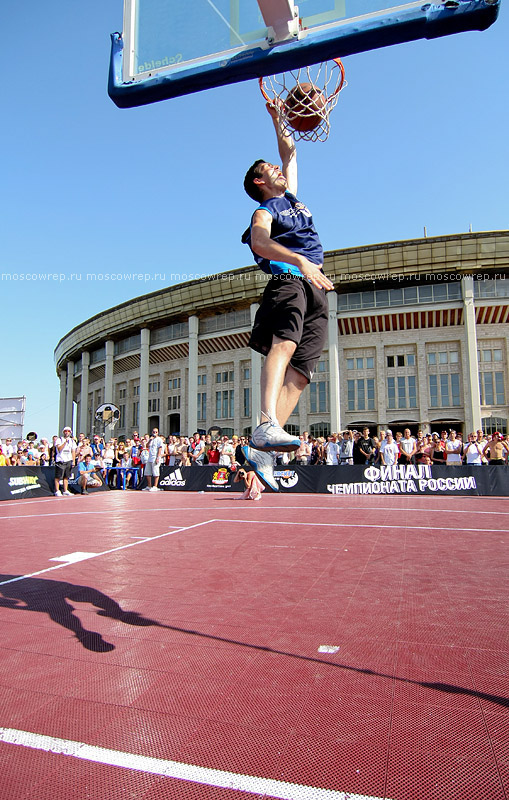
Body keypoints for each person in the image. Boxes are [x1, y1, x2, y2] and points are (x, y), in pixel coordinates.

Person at [241, 103, 334, 490]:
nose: (279, 171)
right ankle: (265, 422)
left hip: (317, 287)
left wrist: (277, 116)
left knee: (301, 374)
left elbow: (289, 151)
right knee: (284, 345)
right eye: (270, 171)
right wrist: (298, 259)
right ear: (260, 183)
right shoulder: (265, 211)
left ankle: (262, 450)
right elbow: (260, 244)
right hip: (291, 279)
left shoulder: (292, 197)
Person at [54, 426, 77, 496]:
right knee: (58, 476)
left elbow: (73, 451)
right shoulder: (59, 440)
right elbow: (59, 449)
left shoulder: (72, 441)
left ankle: (65, 490)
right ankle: (57, 490)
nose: (67, 432)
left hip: (68, 460)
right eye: (65, 431)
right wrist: (65, 442)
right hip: (60, 460)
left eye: (68, 431)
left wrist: (73, 461)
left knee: (66, 476)